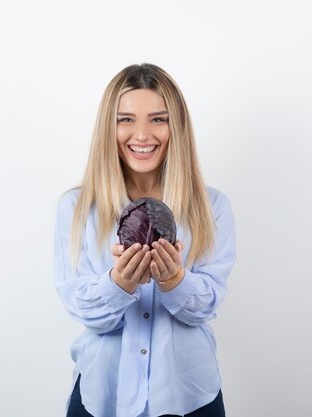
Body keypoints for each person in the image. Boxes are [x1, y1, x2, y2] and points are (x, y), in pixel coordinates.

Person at [53, 63, 237, 417]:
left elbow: (208, 305)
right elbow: (81, 308)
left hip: (188, 398)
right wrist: (119, 284)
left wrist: (175, 281)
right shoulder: (76, 209)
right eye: (125, 119)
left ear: (176, 126)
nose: (142, 134)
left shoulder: (212, 207)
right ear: (109, 126)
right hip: (102, 396)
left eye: (158, 119)